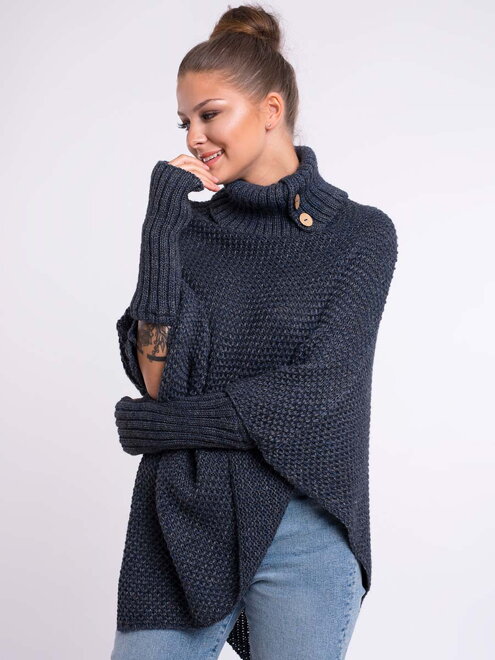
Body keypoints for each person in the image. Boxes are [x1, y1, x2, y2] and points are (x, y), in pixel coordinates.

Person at [111, 4, 398, 659]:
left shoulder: (360, 236)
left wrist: (161, 428)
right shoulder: (187, 234)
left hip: (305, 523)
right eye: (184, 122)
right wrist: (161, 228)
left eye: (209, 114)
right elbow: (158, 382)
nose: (194, 138)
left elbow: (314, 393)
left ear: (271, 109)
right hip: (179, 514)